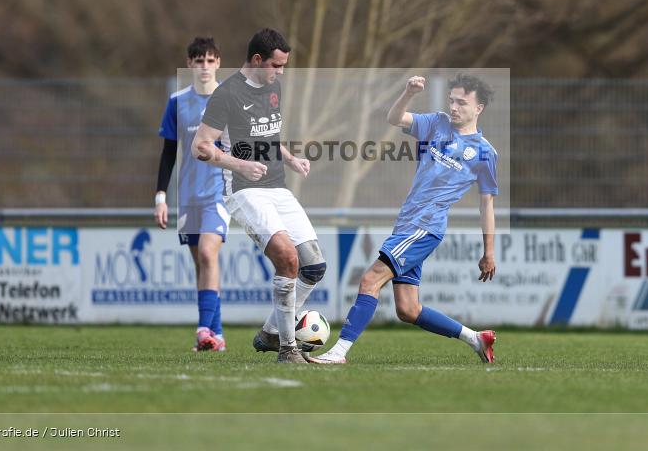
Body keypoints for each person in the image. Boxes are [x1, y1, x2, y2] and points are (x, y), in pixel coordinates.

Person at [309, 74, 499, 364]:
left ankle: (339, 352)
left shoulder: (485, 153)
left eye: (462, 102)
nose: (454, 107)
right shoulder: (437, 123)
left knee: (371, 279)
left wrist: (489, 251)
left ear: (479, 108)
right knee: (408, 309)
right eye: (452, 100)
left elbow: (486, 205)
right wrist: (408, 93)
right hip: (408, 223)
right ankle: (475, 338)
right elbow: (394, 117)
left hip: (426, 227)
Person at [192, 28, 326, 364]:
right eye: (277, 66)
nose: (281, 73)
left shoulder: (272, 87)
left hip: (277, 187)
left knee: (314, 266)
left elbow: (267, 134)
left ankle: (268, 333)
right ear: (257, 60)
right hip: (243, 189)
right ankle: (286, 349)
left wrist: (291, 158)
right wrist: (241, 165)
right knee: (287, 259)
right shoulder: (226, 95)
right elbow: (201, 147)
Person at [155, 37, 230, 352]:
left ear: (218, 63)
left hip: (219, 193)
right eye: (198, 60)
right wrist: (161, 196)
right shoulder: (177, 101)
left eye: (210, 60)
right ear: (189, 64)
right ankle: (217, 334)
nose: (204, 66)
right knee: (202, 266)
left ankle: (202, 330)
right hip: (188, 196)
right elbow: (169, 152)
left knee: (208, 254)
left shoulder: (229, 99)